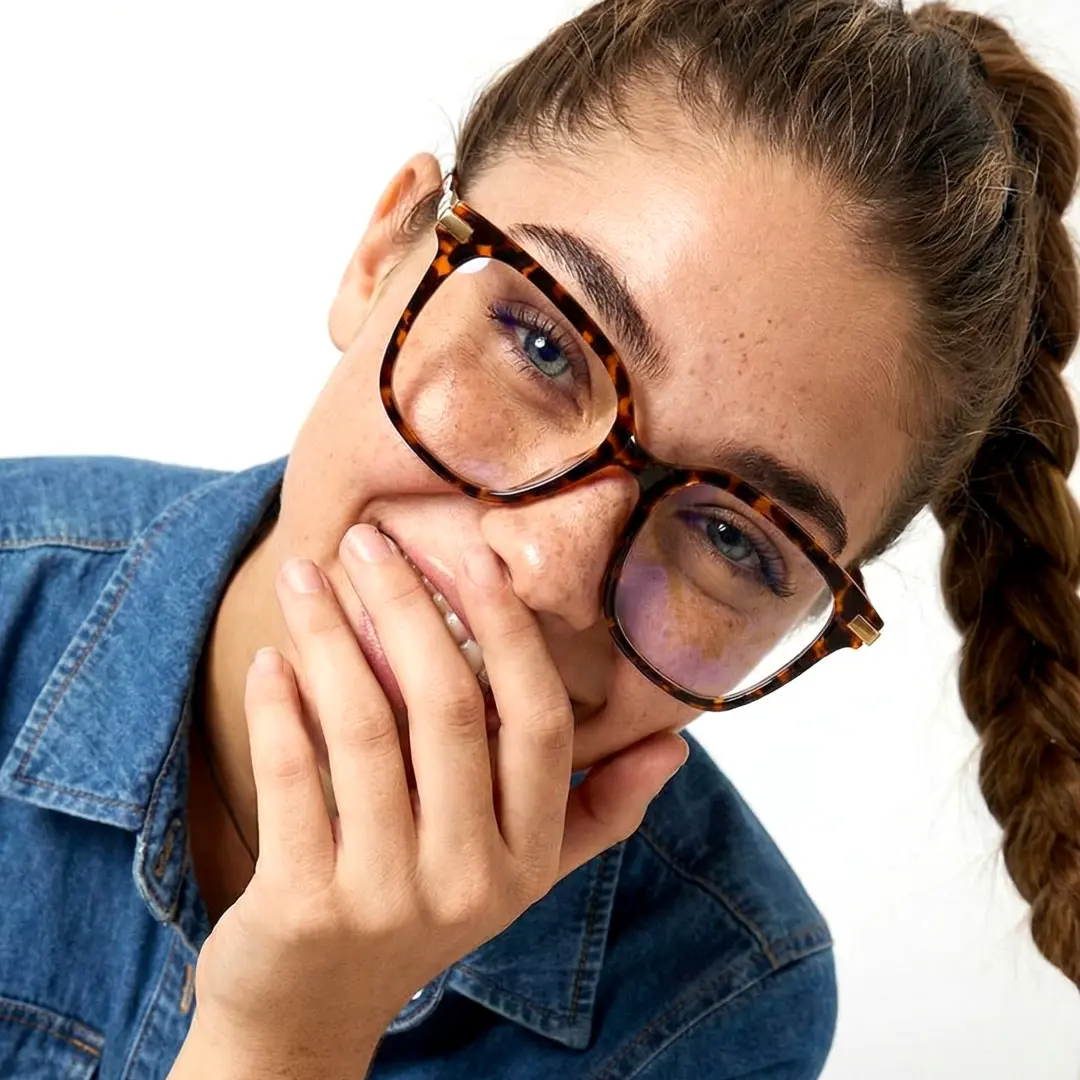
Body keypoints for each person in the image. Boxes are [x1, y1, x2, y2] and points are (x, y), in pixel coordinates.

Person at [2, 0, 1077, 1076]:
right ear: (383, 257)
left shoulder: (711, 1002)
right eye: (543, 345)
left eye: (733, 536)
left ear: (806, 618)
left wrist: (291, 1037)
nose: (547, 572)